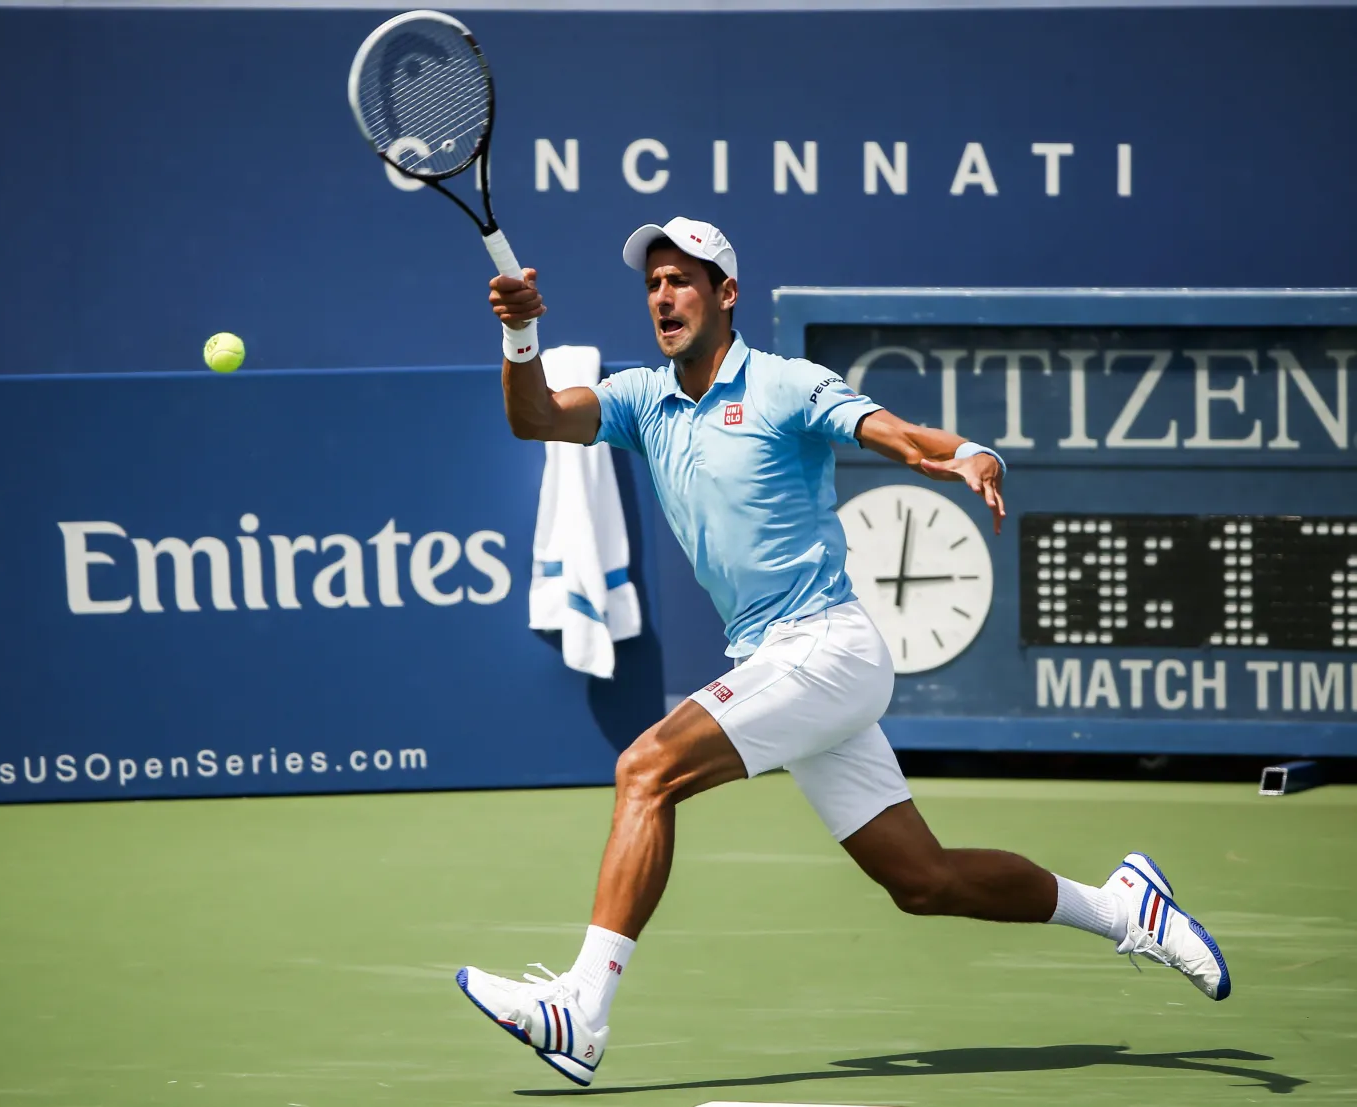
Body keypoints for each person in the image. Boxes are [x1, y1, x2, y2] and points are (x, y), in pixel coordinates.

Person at [455, 217, 1230, 1087]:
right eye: (652, 283)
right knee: (924, 880)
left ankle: (582, 1010)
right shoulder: (642, 399)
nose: (664, 296)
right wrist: (521, 333)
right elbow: (536, 418)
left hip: (826, 647)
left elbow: (889, 430)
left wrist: (965, 452)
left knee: (645, 769)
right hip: (777, 664)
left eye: (682, 280)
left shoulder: (784, 384)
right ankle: (1124, 906)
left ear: (725, 293)